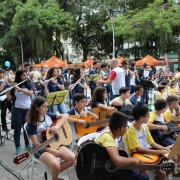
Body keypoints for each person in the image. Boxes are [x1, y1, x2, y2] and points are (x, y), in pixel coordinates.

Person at [26, 96, 75, 180]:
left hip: (54, 143)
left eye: (47, 106)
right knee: (55, 164)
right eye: (44, 107)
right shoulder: (31, 123)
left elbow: (66, 116)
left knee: (72, 158)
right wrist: (50, 150)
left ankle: (51, 175)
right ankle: (55, 177)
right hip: (40, 148)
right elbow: (36, 143)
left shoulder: (48, 115)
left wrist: (57, 126)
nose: (47, 109)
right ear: (37, 108)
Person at [95, 111, 149, 180]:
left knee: (143, 177)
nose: (127, 129)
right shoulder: (107, 137)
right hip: (102, 174)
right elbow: (117, 160)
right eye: (127, 127)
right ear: (122, 128)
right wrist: (134, 160)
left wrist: (136, 167)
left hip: (108, 170)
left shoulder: (111, 134)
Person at [124, 103, 171, 180]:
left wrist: (166, 150)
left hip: (146, 155)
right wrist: (161, 152)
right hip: (136, 158)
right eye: (148, 116)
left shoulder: (144, 126)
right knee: (162, 172)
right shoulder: (130, 130)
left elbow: (152, 143)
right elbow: (139, 149)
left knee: (170, 165)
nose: (149, 118)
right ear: (141, 118)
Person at [6, 70, 33, 154]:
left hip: (28, 109)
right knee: (17, 129)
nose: (25, 77)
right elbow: (9, 98)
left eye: (26, 75)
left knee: (27, 127)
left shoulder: (29, 84)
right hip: (17, 109)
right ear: (19, 76)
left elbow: (30, 93)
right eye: (23, 75)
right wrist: (7, 93)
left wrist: (19, 89)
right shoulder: (14, 85)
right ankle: (18, 147)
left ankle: (27, 144)